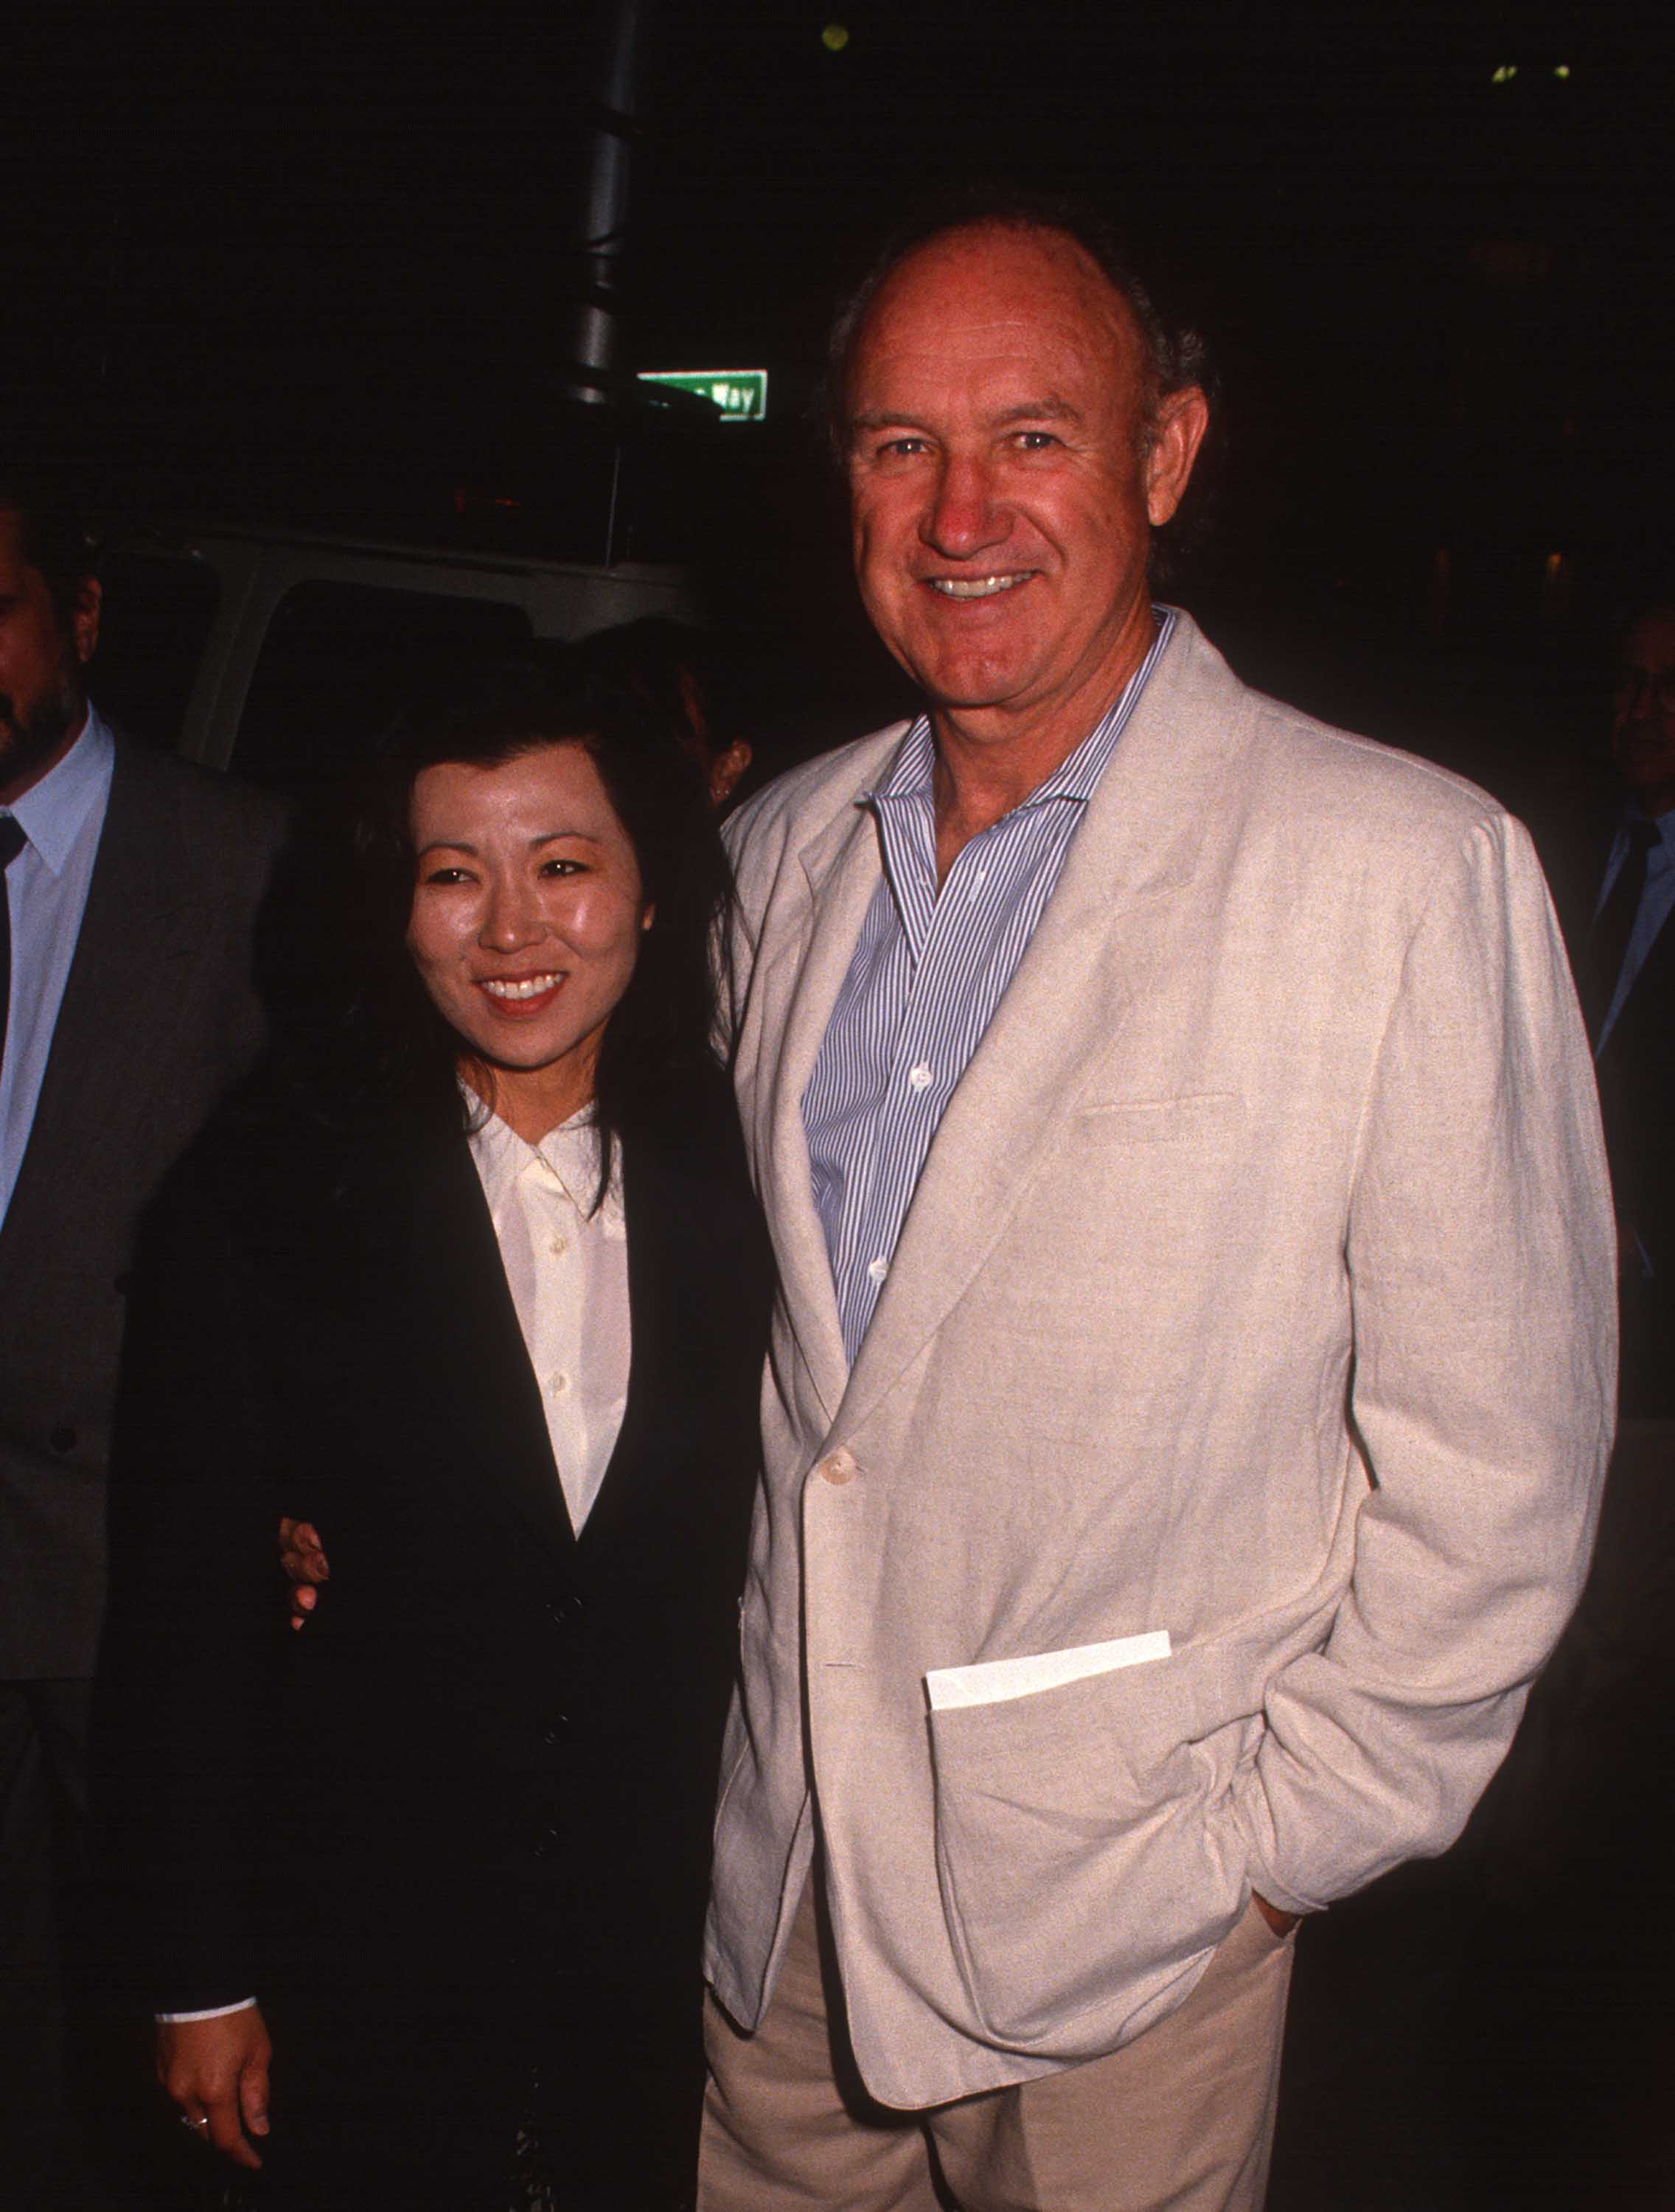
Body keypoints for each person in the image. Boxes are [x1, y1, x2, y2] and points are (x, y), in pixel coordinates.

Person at [698, 193, 1616, 2212]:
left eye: (1032, 435)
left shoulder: (1397, 871)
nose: (960, 515)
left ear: (1165, 456)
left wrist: (1269, 1862)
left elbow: (1500, 1478)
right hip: (771, 1897)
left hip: (1133, 1925)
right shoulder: (777, 856)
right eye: (897, 446)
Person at [94, 664, 773, 2211]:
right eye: (452, 875)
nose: (512, 930)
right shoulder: (267, 1190)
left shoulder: (738, 1174)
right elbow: (182, 1609)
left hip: (655, 1958)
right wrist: (194, 1976)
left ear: (651, 891)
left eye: (565, 865)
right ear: (391, 912)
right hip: (358, 1954)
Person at [0, 475, 285, 2208]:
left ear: (81, 615)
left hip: (137, 1580)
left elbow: (322, 1235)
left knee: (162, 2067)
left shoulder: (245, 863)